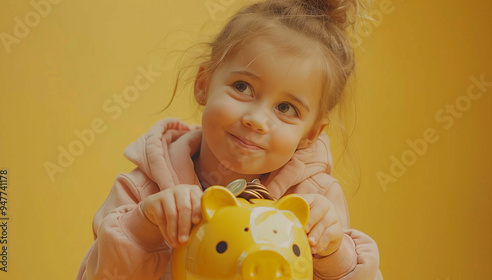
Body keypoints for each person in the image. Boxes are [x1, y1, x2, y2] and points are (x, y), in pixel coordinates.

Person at [77, 0, 382, 279]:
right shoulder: (143, 191)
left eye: (286, 108)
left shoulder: (316, 200)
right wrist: (142, 230)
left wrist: (333, 254)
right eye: (242, 87)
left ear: (311, 135)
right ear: (203, 84)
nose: (257, 120)